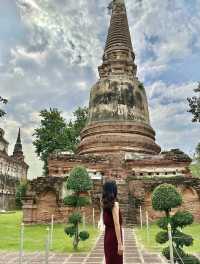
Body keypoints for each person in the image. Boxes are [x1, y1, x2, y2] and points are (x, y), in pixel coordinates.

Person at [102, 180, 123, 264]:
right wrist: (120, 244)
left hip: (107, 237)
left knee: (110, 261)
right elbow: (117, 225)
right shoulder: (115, 205)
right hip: (114, 238)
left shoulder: (104, 203)